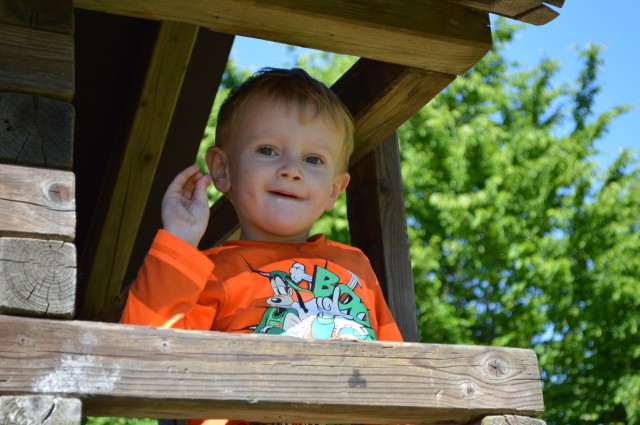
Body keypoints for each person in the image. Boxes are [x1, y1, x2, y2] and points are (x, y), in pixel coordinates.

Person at [120, 67, 403, 424]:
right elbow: (142, 354)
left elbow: (401, 377)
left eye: (313, 159)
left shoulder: (354, 267)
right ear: (222, 170)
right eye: (267, 150)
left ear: (334, 189)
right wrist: (179, 238)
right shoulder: (209, 274)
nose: (291, 170)